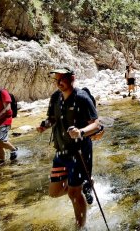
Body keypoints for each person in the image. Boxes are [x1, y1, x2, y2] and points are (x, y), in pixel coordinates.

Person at [37, 67, 100, 228]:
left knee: (73, 193)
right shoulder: (55, 97)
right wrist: (45, 125)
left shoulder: (82, 98)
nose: (58, 83)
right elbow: (52, 118)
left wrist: (80, 132)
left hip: (79, 153)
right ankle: (86, 184)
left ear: (72, 78)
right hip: (61, 152)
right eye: (56, 79)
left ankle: (80, 227)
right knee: (54, 192)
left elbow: (95, 124)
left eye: (62, 79)